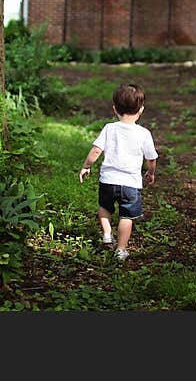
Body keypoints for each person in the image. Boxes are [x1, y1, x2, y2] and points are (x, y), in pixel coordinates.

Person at [79, 83, 158, 261]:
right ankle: (121, 249)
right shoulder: (144, 133)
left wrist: (86, 166)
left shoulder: (109, 128)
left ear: (115, 109)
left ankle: (107, 233)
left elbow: (96, 151)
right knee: (127, 216)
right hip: (130, 184)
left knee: (104, 208)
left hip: (108, 181)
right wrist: (151, 173)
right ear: (141, 110)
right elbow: (151, 158)